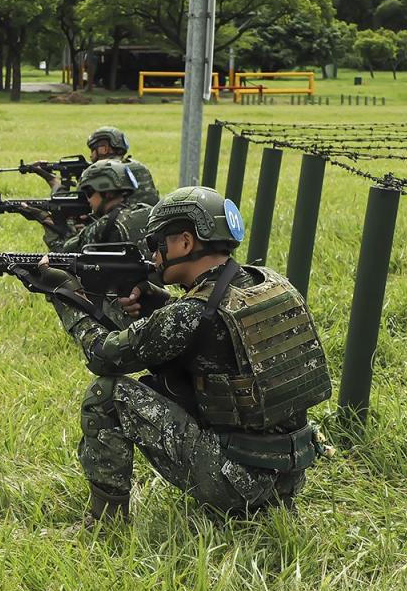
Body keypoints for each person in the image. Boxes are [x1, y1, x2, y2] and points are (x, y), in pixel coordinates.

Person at [32, 186, 332, 527]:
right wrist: (157, 302)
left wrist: (64, 294)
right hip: (288, 477)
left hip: (235, 484)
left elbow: (103, 356)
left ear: (186, 242)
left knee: (107, 395)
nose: (153, 256)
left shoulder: (190, 312)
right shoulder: (270, 284)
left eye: (156, 243)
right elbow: (211, 334)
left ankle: (105, 523)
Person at [40, 159, 151, 255]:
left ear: (108, 193)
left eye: (89, 192)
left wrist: (47, 221)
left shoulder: (103, 226)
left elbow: (64, 254)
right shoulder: (148, 211)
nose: (88, 199)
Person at [33, 127, 159, 207]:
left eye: (93, 150)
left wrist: (53, 181)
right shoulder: (140, 168)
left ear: (104, 149)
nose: (91, 156)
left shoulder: (99, 173)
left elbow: (68, 205)